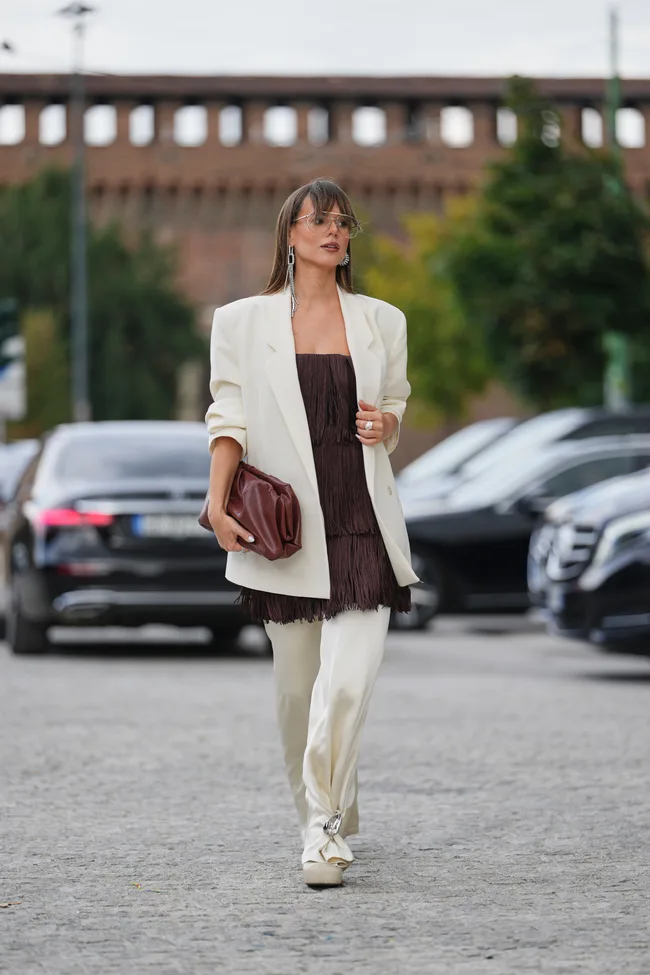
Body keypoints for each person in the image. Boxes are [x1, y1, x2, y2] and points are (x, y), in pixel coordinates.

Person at [205, 178, 418, 888]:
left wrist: (385, 425)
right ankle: (326, 805)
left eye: (342, 220)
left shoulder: (383, 320)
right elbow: (227, 417)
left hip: (361, 518)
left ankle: (320, 832)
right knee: (299, 692)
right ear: (289, 234)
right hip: (289, 528)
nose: (333, 229)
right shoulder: (240, 321)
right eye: (317, 219)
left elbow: (394, 408)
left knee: (349, 682)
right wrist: (217, 501)